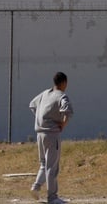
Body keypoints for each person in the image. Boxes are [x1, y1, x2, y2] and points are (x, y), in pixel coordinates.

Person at [30, 72, 74, 204]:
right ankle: (52, 197)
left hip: (40, 133)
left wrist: (41, 119)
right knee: (52, 166)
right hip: (52, 134)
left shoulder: (45, 93)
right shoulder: (62, 96)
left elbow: (32, 105)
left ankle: (36, 187)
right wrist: (62, 124)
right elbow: (68, 111)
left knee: (44, 164)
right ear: (64, 83)